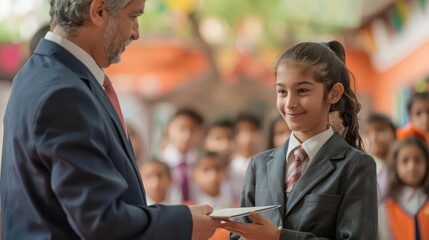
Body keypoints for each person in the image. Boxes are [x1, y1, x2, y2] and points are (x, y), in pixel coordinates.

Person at [0, 0, 220, 239]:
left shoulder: (42, 74)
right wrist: (183, 222)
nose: (136, 33)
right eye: (133, 16)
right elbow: (99, 221)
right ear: (99, 11)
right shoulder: (63, 92)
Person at [221, 41, 378, 239]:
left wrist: (278, 237)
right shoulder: (258, 165)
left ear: (333, 93)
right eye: (282, 91)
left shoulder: (355, 166)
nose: (290, 103)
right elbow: (238, 234)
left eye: (302, 91)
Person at [378, 136, 429, 240]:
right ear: (395, 165)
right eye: (405, 161)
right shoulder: (385, 207)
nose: (412, 166)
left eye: (418, 160)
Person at [161, 108, 205, 203]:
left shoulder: (202, 163)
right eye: (182, 128)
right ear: (168, 128)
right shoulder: (159, 162)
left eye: (193, 130)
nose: (187, 135)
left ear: (201, 133)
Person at [364, 112, 397, 202]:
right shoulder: (361, 169)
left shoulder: (405, 166)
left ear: (394, 134)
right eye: (367, 133)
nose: (373, 137)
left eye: (380, 130)